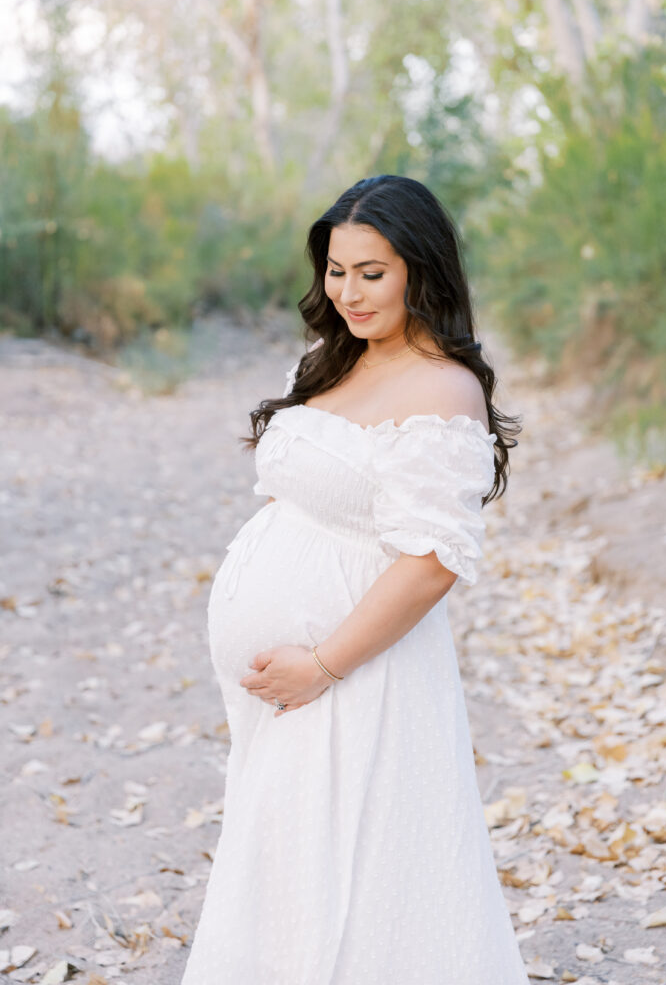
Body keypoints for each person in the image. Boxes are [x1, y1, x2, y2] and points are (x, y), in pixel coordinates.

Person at [180, 174, 529, 984]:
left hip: (357, 672)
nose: (349, 292)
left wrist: (324, 663)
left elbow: (433, 562)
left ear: (419, 270)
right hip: (289, 681)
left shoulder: (442, 386)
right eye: (337, 271)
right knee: (288, 856)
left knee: (357, 869)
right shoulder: (330, 359)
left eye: (372, 272)